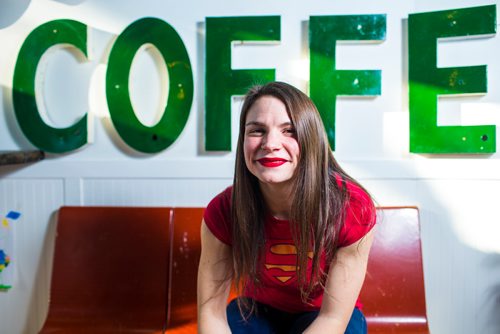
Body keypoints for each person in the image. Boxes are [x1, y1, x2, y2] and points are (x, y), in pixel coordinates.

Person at [197, 81, 376, 334]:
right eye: (257, 130)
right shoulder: (223, 210)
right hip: (257, 311)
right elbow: (210, 313)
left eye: (289, 130)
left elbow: (333, 319)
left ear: (311, 139)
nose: (270, 143)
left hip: (324, 314)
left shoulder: (352, 208)